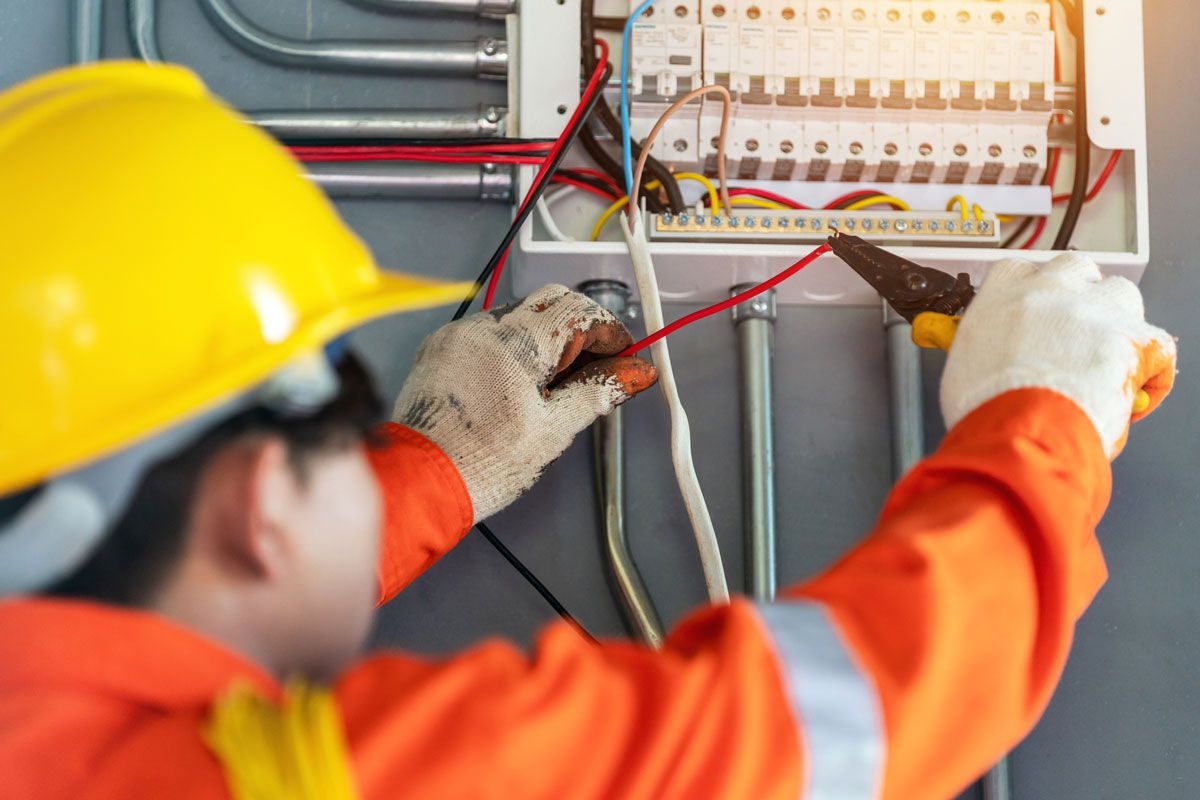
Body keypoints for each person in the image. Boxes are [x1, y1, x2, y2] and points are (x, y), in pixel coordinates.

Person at [0, 63, 1176, 800]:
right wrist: (1045, 410)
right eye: (346, 428)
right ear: (259, 501)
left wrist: (437, 468)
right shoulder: (307, 774)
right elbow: (861, 708)